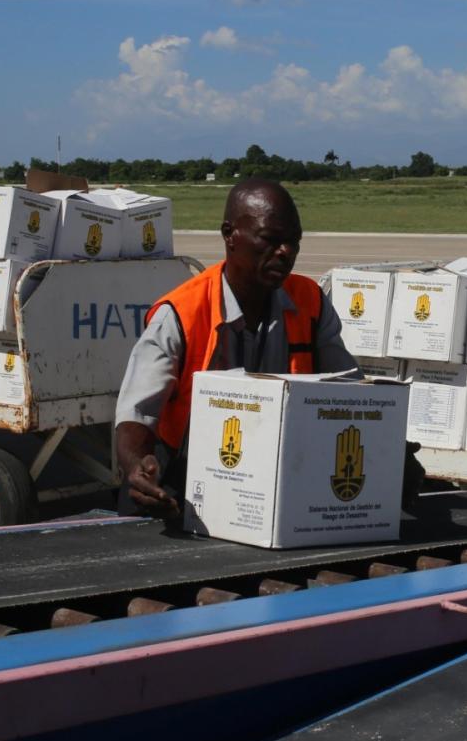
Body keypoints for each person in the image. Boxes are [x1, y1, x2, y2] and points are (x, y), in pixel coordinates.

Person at [116, 178, 420, 519]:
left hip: (278, 465)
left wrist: (391, 449)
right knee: (141, 507)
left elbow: (352, 392)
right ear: (230, 235)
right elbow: (136, 413)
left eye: (293, 241)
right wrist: (137, 465)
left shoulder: (310, 303)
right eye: (270, 239)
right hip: (188, 468)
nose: (285, 252)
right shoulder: (181, 314)